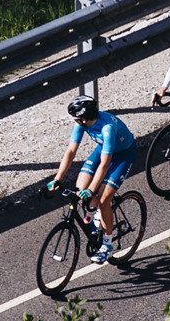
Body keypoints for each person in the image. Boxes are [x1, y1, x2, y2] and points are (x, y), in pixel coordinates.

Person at [48, 91, 136, 265]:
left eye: (75, 118)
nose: (74, 121)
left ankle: (106, 246)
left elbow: (105, 164)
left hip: (124, 155)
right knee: (80, 187)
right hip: (102, 149)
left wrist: (92, 189)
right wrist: (57, 178)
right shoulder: (81, 123)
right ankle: (97, 217)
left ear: (83, 118)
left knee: (103, 199)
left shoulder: (107, 128)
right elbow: (71, 151)